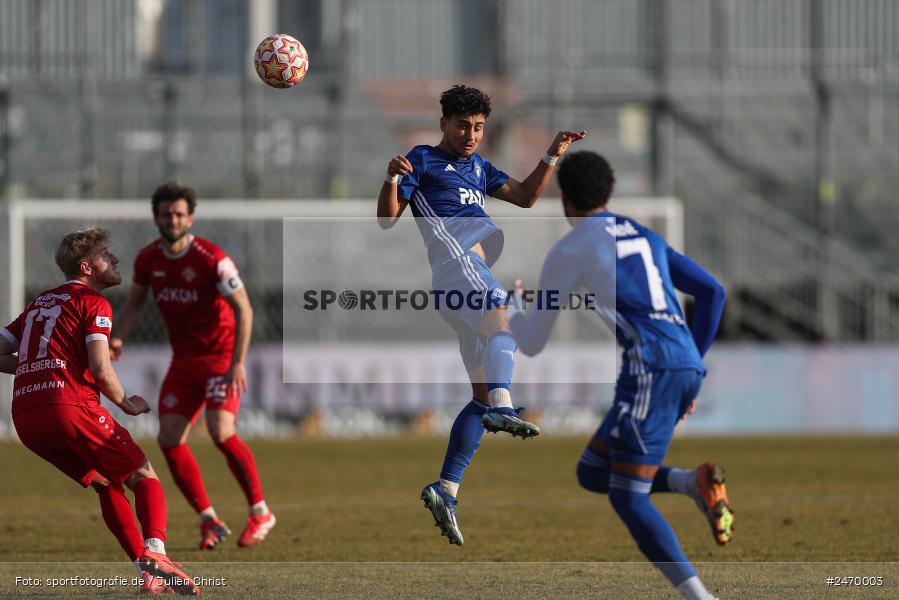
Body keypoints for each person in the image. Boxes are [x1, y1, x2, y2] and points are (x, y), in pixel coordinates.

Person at [508, 151, 732, 600]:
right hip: (681, 362)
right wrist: (692, 364)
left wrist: (510, 310)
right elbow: (713, 291)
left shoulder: (568, 249)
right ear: (608, 192)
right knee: (593, 472)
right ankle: (693, 482)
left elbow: (530, 341)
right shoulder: (643, 234)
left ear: (563, 197)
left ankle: (700, 598)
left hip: (649, 368)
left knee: (628, 497)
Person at [377, 84, 585, 546]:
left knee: (479, 395)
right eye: (462, 125)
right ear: (444, 124)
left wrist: (553, 154)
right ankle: (505, 409)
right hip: (458, 267)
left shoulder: (479, 167)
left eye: (477, 128)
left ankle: (445, 488)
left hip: (470, 275)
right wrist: (391, 179)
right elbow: (388, 218)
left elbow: (527, 196)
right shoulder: (423, 159)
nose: (470, 135)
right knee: (504, 326)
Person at [0, 228, 199, 596]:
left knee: (106, 482)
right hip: (69, 407)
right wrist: (126, 402)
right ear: (88, 266)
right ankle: (157, 553)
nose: (115, 258)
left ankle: (148, 573)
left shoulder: (38, 304)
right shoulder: (93, 304)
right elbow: (101, 366)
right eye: (107, 254)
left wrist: (36, 367)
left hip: (26, 419)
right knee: (143, 475)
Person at [111, 182, 275, 550]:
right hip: (183, 362)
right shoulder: (148, 259)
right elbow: (135, 304)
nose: (173, 220)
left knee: (220, 431)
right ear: (157, 217)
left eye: (180, 214)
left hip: (220, 359)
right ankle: (208, 519)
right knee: (168, 439)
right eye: (167, 214)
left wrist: (237, 363)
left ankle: (260, 511)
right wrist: (118, 336)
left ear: (191, 218)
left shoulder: (212, 258)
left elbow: (244, 308)